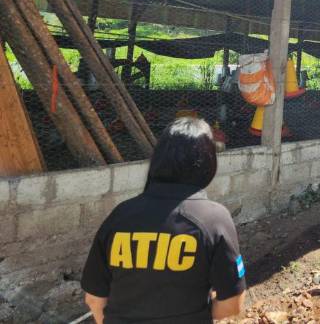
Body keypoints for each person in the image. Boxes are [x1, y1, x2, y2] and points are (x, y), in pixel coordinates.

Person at [81, 117, 247, 323]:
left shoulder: (120, 216)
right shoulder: (214, 220)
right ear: (208, 162)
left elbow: (94, 299)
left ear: (158, 159)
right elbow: (233, 304)